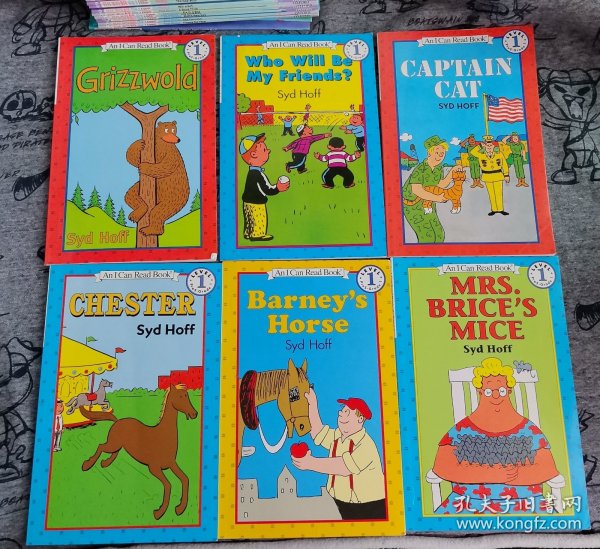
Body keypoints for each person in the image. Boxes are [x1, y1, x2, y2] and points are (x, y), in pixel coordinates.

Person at [432, 357, 560, 515]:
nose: (495, 396)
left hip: (526, 501)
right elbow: (443, 466)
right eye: (488, 391)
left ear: (509, 390)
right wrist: (494, 474)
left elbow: (547, 468)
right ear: (480, 392)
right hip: (467, 501)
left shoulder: (528, 430)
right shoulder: (462, 429)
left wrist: (516, 475)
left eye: (501, 390)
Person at [292, 389, 387, 520]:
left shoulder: (366, 445)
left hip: (369, 505)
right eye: (342, 410)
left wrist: (310, 463)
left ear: (360, 419)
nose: (341, 413)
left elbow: (343, 467)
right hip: (341, 503)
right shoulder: (338, 436)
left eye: (347, 412)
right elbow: (318, 432)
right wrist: (312, 404)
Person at [402, 135, 464, 243]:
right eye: (437, 152)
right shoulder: (421, 169)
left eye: (442, 153)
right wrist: (437, 198)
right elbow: (417, 190)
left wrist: (452, 171)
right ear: (429, 153)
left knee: (439, 235)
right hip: (412, 205)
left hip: (428, 203)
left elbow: (440, 184)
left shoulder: (438, 168)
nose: (440, 155)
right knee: (427, 237)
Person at [239, 134, 290, 241]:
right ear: (254, 155)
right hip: (256, 203)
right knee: (258, 219)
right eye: (264, 150)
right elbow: (267, 189)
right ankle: (257, 235)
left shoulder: (252, 172)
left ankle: (248, 232)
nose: (268, 151)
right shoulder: (257, 174)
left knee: (249, 218)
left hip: (247, 201)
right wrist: (278, 188)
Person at [471, 135, 510, 215]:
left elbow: (504, 164)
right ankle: (494, 209)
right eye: (487, 145)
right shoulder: (481, 154)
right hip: (487, 176)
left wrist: (506, 175)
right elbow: (473, 152)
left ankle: (500, 209)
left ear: (493, 146)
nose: (489, 147)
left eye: (490, 145)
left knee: (498, 193)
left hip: (498, 175)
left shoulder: (499, 154)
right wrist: (480, 145)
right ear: (484, 146)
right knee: (491, 193)